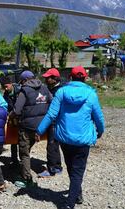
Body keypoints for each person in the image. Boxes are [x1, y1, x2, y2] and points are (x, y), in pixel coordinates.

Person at [36, 66, 105, 209]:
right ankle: (70, 203)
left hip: (65, 138)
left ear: (71, 78)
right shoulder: (91, 94)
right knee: (78, 171)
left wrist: (39, 130)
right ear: (85, 78)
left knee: (71, 168)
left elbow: (51, 114)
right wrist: (100, 130)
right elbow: (98, 116)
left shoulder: (61, 92)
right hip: (83, 139)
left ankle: (77, 195)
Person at [13, 70, 52, 188]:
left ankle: (26, 179)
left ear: (25, 80)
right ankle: (25, 169)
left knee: (24, 153)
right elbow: (52, 103)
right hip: (41, 127)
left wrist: (11, 116)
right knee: (28, 148)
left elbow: (17, 110)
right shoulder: (45, 88)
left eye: (21, 81)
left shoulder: (24, 90)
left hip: (27, 127)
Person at [38, 68, 63, 178]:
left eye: (48, 78)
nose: (46, 79)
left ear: (55, 79)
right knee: (54, 144)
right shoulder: (51, 89)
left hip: (54, 121)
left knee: (52, 145)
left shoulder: (58, 91)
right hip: (55, 121)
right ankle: (57, 166)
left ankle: (52, 169)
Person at [0, 76, 22, 166]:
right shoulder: (6, 94)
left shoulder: (20, 91)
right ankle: (14, 159)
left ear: (11, 83)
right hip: (13, 118)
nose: (5, 88)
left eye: (6, 86)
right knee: (13, 140)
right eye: (3, 87)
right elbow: (6, 106)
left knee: (22, 141)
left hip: (21, 118)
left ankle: (23, 159)